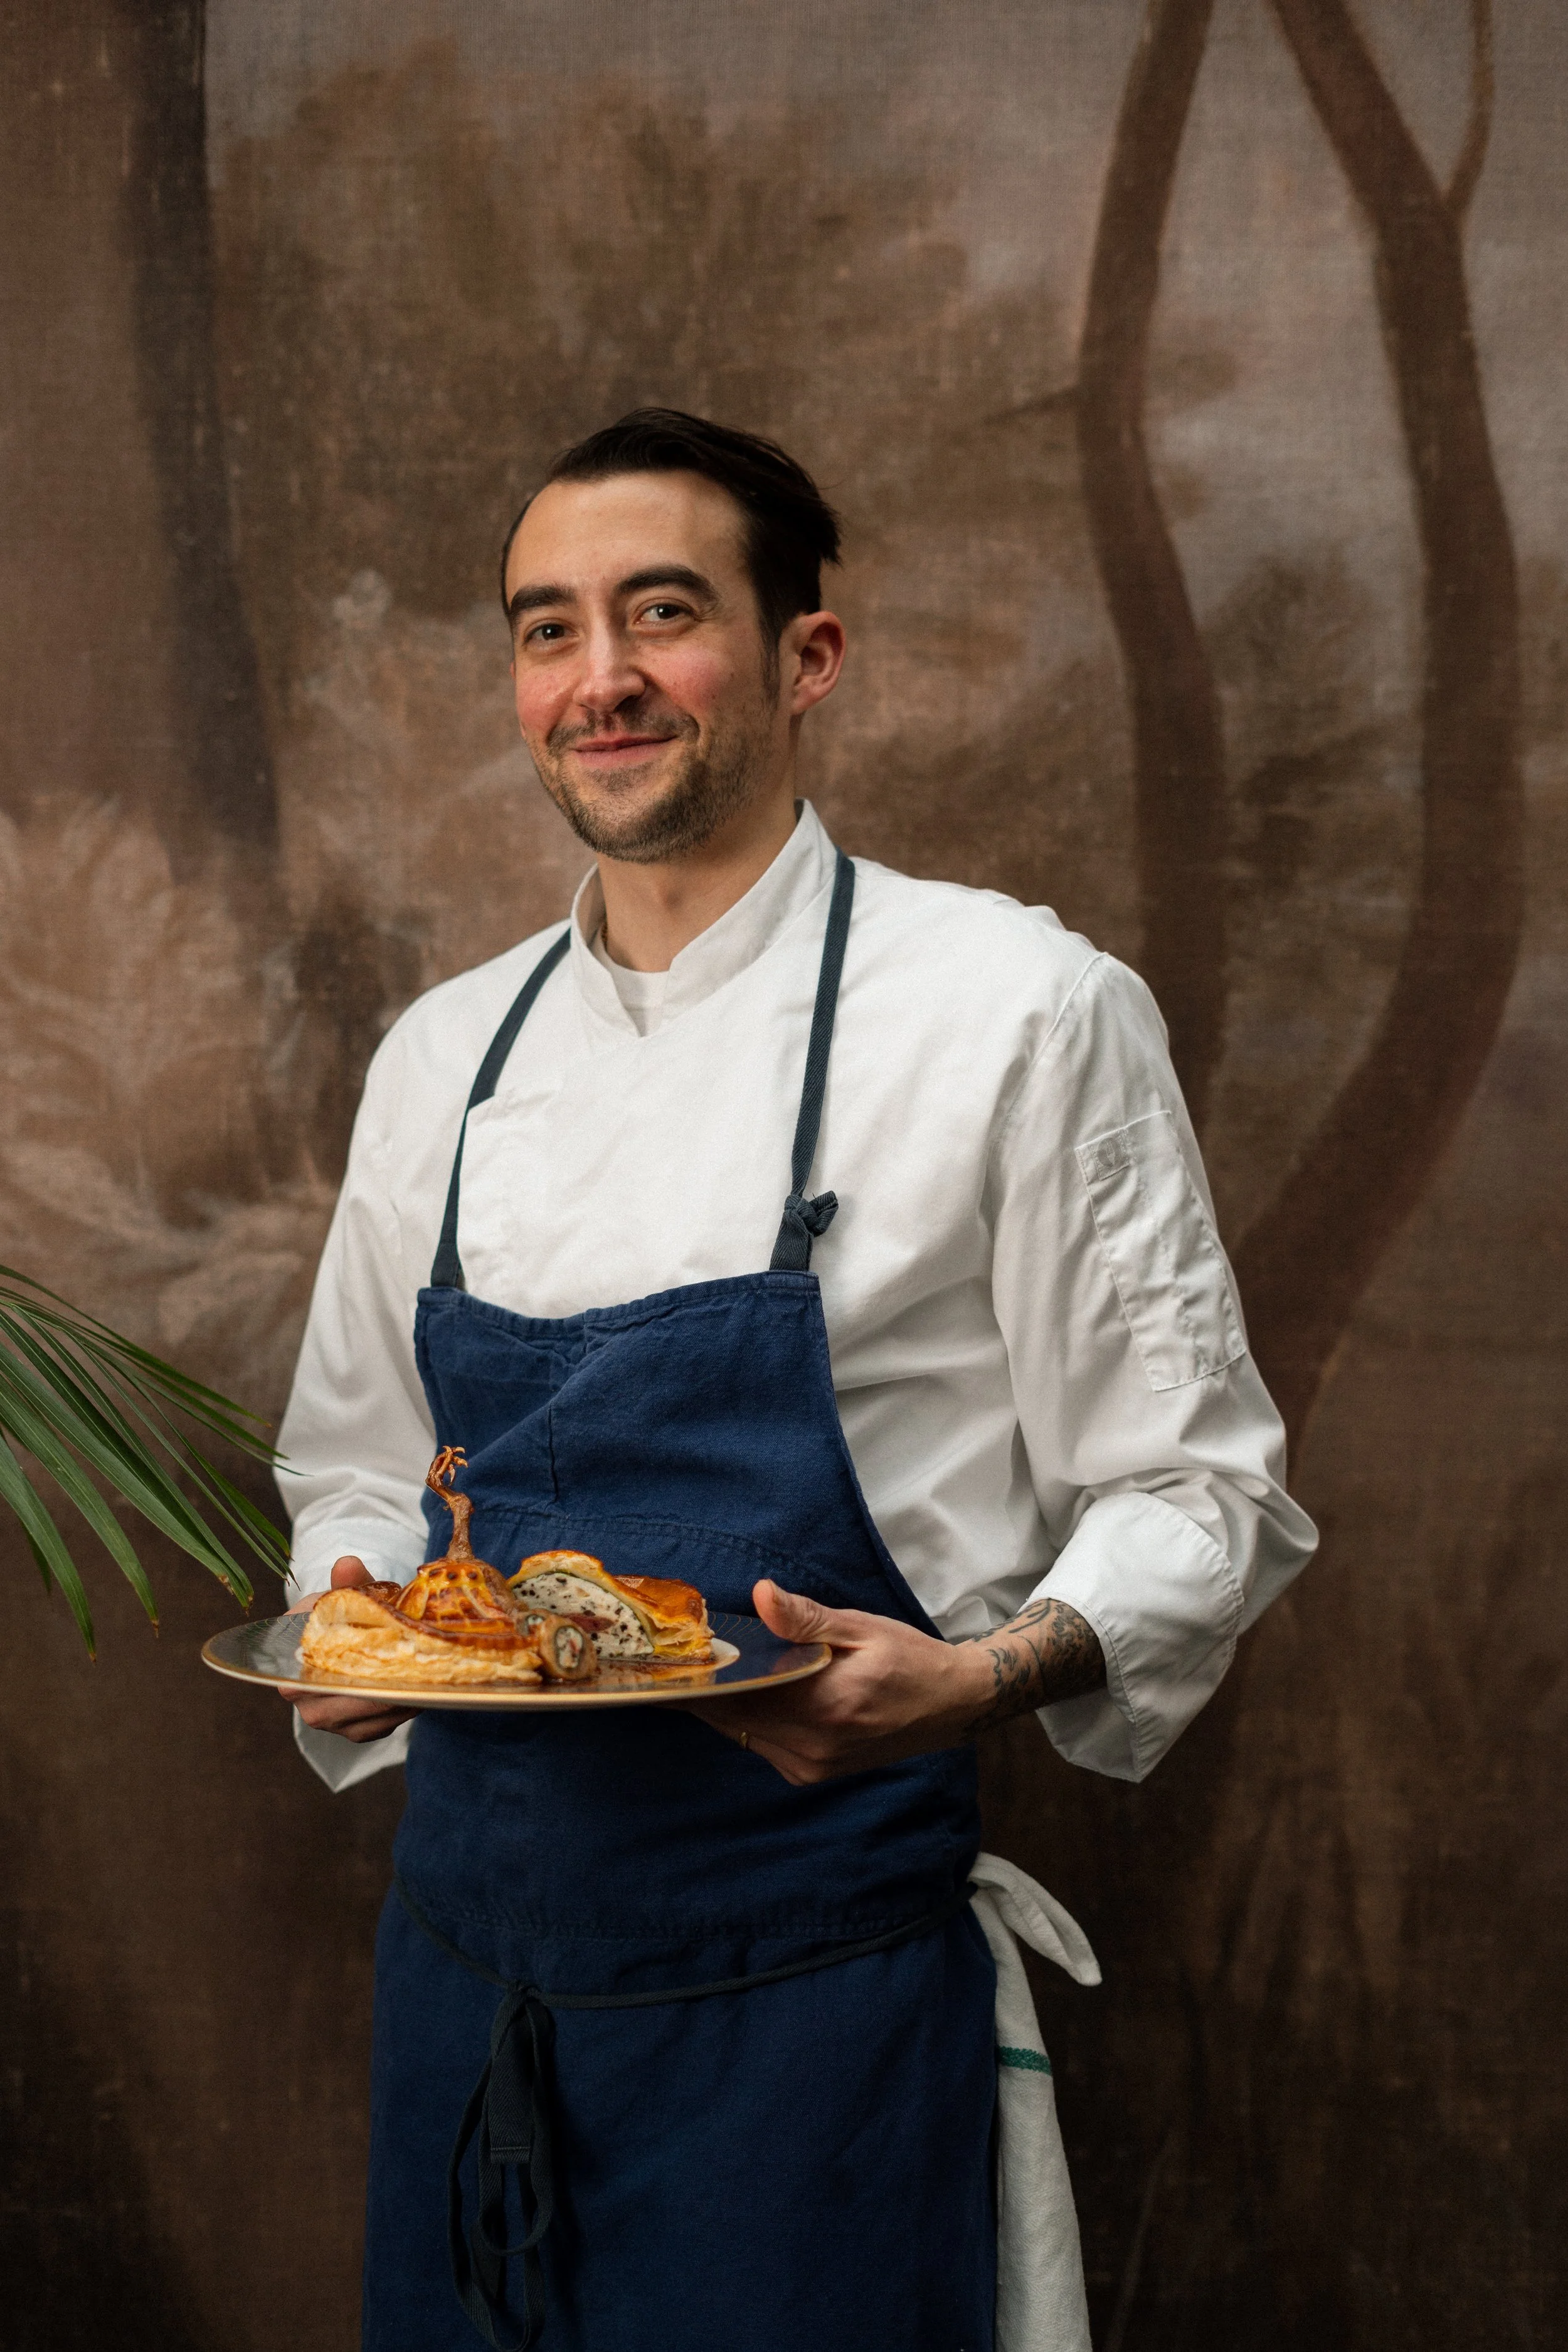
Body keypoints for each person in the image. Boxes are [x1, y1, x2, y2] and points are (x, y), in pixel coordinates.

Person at [279, 408, 1316, 2352]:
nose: (598, 681)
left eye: (658, 616)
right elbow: (350, 1459)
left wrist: (984, 1676)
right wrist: (353, 1607)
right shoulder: (440, 1056)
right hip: (462, 1992)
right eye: (546, 630)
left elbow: (1203, 1489)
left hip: (808, 2012)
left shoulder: (1016, 1010)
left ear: (803, 657)